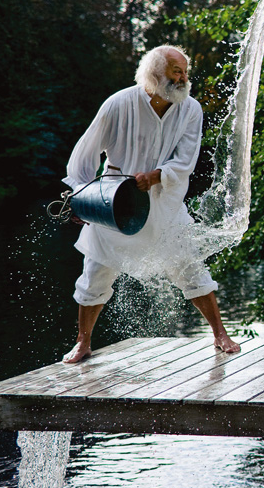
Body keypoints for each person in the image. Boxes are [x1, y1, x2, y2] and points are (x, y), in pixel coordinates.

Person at [61, 45, 240, 364]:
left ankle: (219, 334)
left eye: (186, 72)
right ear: (155, 74)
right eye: (177, 72)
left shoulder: (191, 109)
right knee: (96, 274)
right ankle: (83, 342)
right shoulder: (118, 104)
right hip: (114, 202)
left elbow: (186, 159)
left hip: (164, 202)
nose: (184, 78)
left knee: (190, 266)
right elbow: (82, 157)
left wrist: (157, 176)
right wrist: (82, 198)